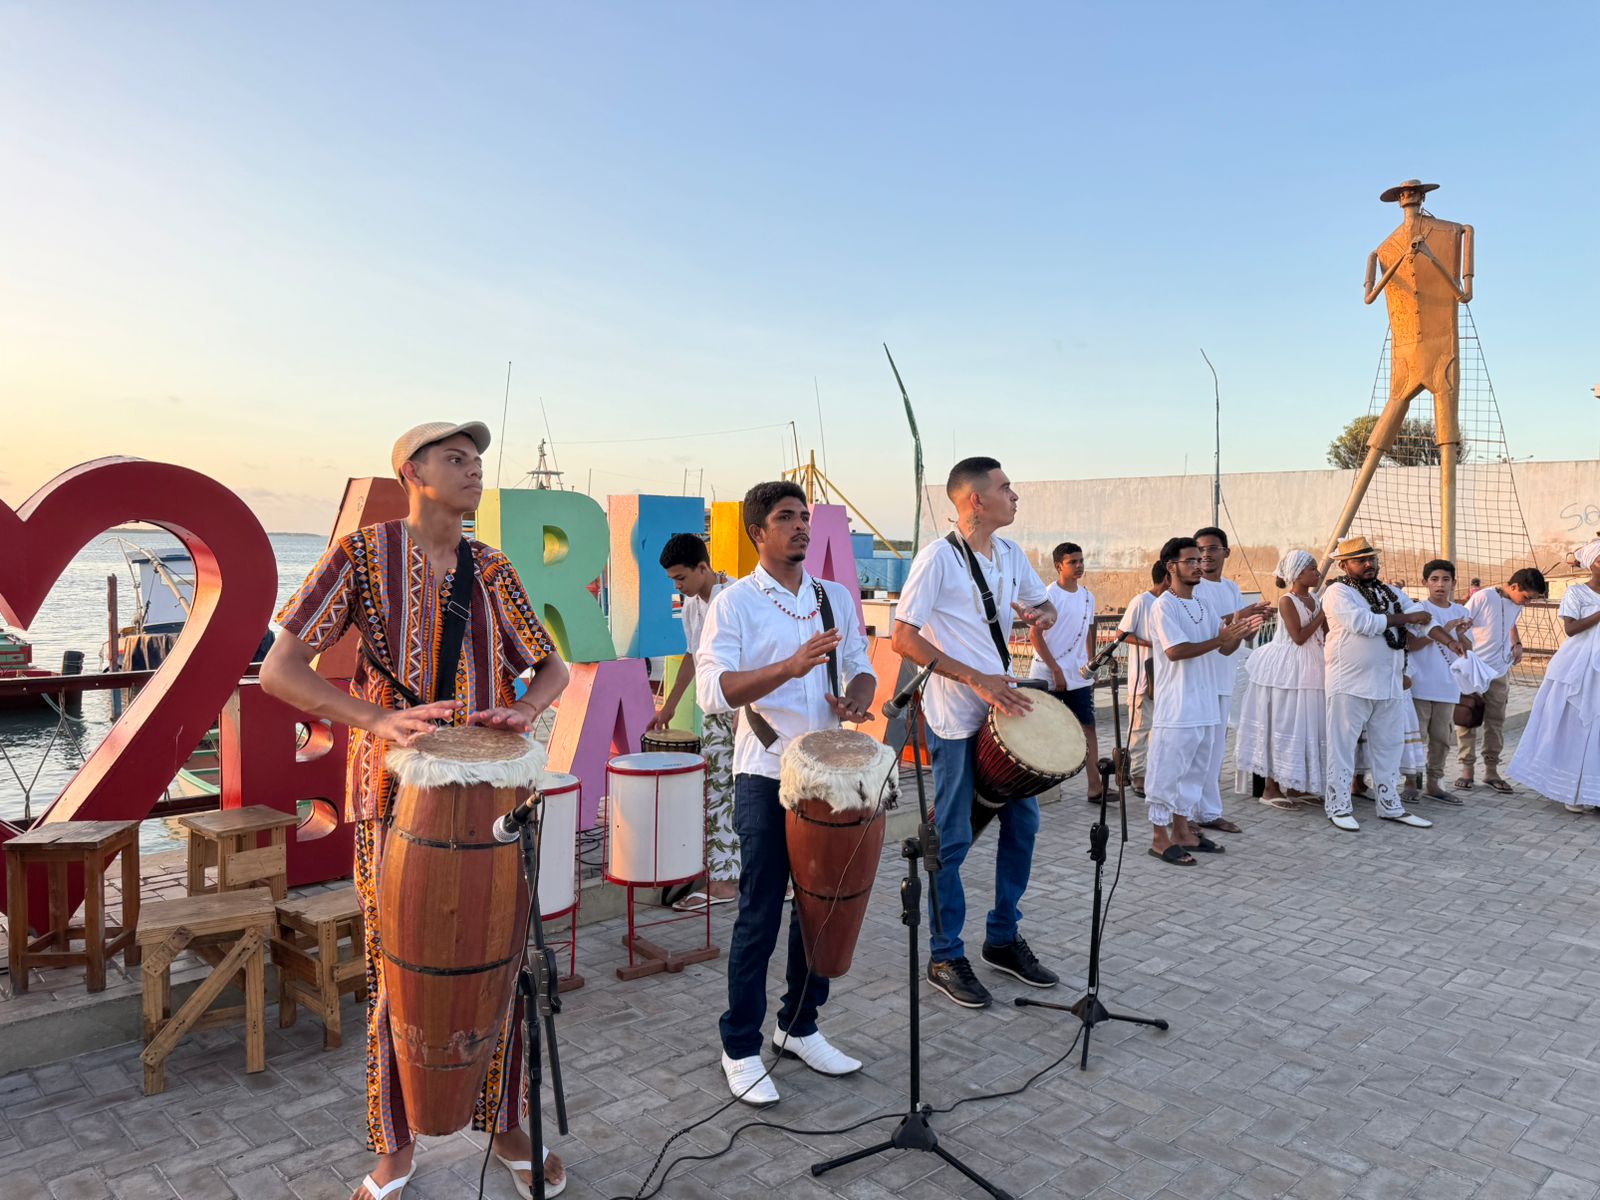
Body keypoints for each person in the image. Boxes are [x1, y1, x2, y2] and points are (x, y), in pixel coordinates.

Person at [261, 421, 571, 1200]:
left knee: (502, 966)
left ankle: (505, 1125)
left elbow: (554, 667)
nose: (473, 473)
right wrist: (372, 720)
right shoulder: (364, 555)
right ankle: (394, 1146)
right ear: (412, 471)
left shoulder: (492, 568)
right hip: (392, 798)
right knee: (395, 970)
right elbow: (279, 670)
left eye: (476, 462)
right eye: (455, 460)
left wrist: (524, 709)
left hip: (490, 802)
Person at [695, 481, 876, 1105]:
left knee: (820, 909)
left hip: (829, 778)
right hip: (766, 774)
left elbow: (861, 662)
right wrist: (790, 668)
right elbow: (712, 692)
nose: (801, 526)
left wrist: (859, 695)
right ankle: (740, 1046)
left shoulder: (835, 597)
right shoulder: (736, 602)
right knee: (760, 913)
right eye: (785, 518)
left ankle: (800, 1025)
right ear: (757, 532)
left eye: (805, 517)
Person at [892, 457, 1059, 1009]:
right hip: (953, 716)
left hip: (1001, 713)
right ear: (975, 501)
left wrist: (1043, 616)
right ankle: (944, 954)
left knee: (1024, 826)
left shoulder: (1010, 553)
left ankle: (1003, 938)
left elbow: (1042, 604)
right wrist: (974, 677)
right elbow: (902, 638)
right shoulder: (938, 559)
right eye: (1006, 488)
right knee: (954, 837)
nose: (1017, 495)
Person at [1146, 537, 1261, 864]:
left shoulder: (1203, 604)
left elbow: (1224, 648)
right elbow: (1175, 651)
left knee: (1194, 772)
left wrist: (1238, 634)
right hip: (1178, 705)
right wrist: (1219, 638)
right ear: (1172, 567)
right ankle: (1159, 838)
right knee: (1168, 771)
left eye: (1199, 560)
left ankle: (1183, 832)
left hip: (1206, 701)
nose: (1198, 565)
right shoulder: (1163, 605)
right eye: (1191, 561)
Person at [1320, 535, 1439, 833]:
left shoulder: (1389, 592)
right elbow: (1364, 624)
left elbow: (1421, 617)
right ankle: (1339, 806)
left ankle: (1389, 805)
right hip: (1349, 683)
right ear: (1344, 565)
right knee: (1342, 747)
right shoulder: (1337, 592)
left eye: (1372, 559)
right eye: (1361, 560)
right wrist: (1409, 617)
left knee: (1389, 747)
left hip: (1388, 683)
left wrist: (1447, 636)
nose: (1368, 564)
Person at [650, 532, 737, 906]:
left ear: (704, 567)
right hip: (714, 708)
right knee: (720, 789)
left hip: (746, 709)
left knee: (746, 791)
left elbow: (758, 656)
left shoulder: (737, 598)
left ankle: (740, 881)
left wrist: (746, 711)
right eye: (672, 580)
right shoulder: (691, 608)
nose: (677, 585)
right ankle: (728, 878)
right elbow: (693, 657)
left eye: (681, 578)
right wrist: (668, 707)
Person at [1506, 540, 1600, 811]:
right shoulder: (1577, 593)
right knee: (1574, 727)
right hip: (1578, 669)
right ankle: (1571, 792)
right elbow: (1571, 629)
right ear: (1591, 565)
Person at [1233, 549, 1327, 809]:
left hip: (1311, 667)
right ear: (1298, 574)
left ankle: (1297, 785)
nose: (1317, 574)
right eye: (1312, 570)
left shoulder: (1316, 598)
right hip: (1286, 668)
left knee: (1306, 724)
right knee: (1281, 724)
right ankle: (1270, 787)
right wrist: (1323, 613)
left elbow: (1323, 633)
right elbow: (1298, 637)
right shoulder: (1287, 600)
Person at [1193, 526, 1273, 832]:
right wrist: (1239, 614)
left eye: (1212, 549)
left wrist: (1253, 622)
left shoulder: (1230, 588)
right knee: (1196, 749)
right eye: (1200, 549)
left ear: (1226, 552)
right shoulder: (1194, 588)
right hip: (1199, 675)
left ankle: (1209, 811)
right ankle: (1184, 814)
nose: (1205, 555)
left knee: (1215, 749)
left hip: (1225, 675)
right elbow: (1202, 626)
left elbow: (1240, 633)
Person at [1456, 567, 1548, 793]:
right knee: (1468, 718)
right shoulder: (1483, 597)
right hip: (1475, 669)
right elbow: (1461, 624)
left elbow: (1510, 624)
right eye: (1526, 597)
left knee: (1496, 721)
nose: (1526, 603)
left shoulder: (1516, 604)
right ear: (1515, 586)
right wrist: (1466, 654)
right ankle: (1467, 771)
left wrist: (1516, 644)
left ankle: (1491, 771)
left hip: (1500, 671)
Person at [1027, 541, 1103, 802]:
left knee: (1088, 728)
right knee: (1043, 730)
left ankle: (1096, 786)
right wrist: (1055, 670)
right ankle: (1034, 789)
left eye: (1081, 560)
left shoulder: (1087, 597)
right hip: (1047, 674)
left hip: (1078, 674)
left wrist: (1091, 663)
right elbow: (1035, 636)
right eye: (1073, 562)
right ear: (1059, 566)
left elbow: (1088, 630)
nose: (1080, 565)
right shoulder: (1047, 597)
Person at [1405, 559, 1472, 803]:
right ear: (1425, 582)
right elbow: (1411, 644)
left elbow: (1468, 650)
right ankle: (1411, 783)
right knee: (1416, 736)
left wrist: (1461, 635)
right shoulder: (1417, 611)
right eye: (1434, 579)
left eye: (1445, 579)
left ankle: (1434, 784)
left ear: (1454, 583)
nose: (1440, 584)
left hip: (1447, 686)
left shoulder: (1461, 612)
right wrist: (1441, 631)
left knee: (1441, 739)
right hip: (1420, 684)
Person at [1117, 561, 1169, 798]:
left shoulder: (1169, 604)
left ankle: (1152, 773)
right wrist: (1153, 644)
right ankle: (1138, 775)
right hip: (1143, 676)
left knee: (1158, 729)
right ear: (1167, 578)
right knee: (1139, 728)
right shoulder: (1141, 602)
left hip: (1165, 677)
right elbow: (1122, 634)